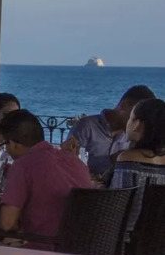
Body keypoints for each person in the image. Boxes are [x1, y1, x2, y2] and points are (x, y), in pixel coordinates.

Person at [0, 109, 95, 244]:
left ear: (13, 143)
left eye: (4, 145)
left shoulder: (23, 165)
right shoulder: (76, 161)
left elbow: (7, 224)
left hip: (44, 248)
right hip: (82, 248)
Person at [64, 84, 156, 178]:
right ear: (124, 106)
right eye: (137, 117)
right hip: (85, 187)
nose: (138, 124)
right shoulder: (86, 126)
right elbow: (67, 163)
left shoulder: (133, 134)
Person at [109, 98, 165, 239]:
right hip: (157, 243)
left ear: (138, 125)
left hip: (126, 242)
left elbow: (116, 208)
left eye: (131, 118)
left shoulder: (128, 159)